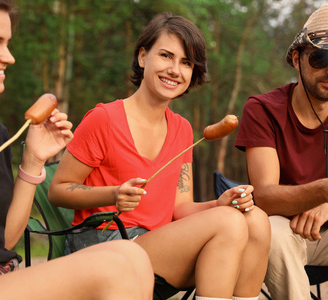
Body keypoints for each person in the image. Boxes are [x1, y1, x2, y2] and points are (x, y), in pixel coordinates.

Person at [0, 1, 154, 299]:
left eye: (8, 44)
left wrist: (34, 160)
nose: (8, 57)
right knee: (112, 268)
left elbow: (6, 240)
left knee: (132, 256)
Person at [49, 12, 270, 300]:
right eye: (166, 56)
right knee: (229, 223)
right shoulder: (104, 119)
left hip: (157, 247)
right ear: (143, 57)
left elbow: (180, 209)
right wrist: (112, 194)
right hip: (103, 245)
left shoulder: (182, 129)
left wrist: (219, 203)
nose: (175, 70)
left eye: (186, 63)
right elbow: (58, 190)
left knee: (256, 220)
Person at [235, 4, 328, 299]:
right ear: (296, 58)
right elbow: (264, 196)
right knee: (270, 227)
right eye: (321, 58)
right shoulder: (262, 109)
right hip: (281, 235)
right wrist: (323, 191)